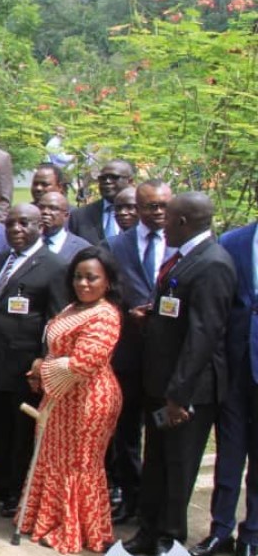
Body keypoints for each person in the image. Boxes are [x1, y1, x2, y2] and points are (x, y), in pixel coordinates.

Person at [126, 192, 236, 556]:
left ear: (184, 223)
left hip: (188, 391)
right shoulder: (182, 260)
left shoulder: (213, 264)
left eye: (167, 217)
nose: (159, 222)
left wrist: (179, 396)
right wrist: (152, 315)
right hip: (161, 381)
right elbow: (178, 314)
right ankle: (147, 528)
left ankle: (168, 538)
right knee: (156, 460)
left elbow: (204, 335)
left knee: (179, 465)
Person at [18, 247, 124, 553]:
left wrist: (42, 367)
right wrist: (42, 370)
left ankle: (75, 527)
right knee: (53, 458)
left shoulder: (105, 315)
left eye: (92, 278)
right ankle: (46, 519)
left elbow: (83, 363)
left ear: (108, 282)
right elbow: (57, 350)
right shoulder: (72, 308)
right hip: (60, 397)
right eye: (78, 277)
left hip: (89, 399)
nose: (84, 284)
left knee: (78, 464)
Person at [0, 204, 68, 517]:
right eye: (11, 224)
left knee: (21, 431)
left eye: (24, 223)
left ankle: (17, 491)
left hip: (26, 366)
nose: (16, 229)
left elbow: (56, 320)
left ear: (40, 226)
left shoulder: (53, 266)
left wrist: (42, 360)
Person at [102, 180, 173, 525]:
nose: (157, 212)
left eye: (162, 205)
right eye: (150, 206)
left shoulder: (183, 245)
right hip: (127, 355)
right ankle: (130, 498)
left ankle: (157, 505)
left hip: (167, 358)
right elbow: (105, 295)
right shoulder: (115, 246)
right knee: (126, 433)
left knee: (162, 436)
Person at [193, 213, 258, 556]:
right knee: (229, 452)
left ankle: (252, 535)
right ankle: (221, 530)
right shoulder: (233, 242)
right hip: (234, 366)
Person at [69, 160, 135, 245]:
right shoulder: (79, 216)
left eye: (113, 177)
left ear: (130, 181)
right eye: (102, 178)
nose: (107, 181)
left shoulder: (142, 212)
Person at [37, 192, 92, 263]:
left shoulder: (83, 248)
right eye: (41, 207)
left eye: (53, 208)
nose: (45, 212)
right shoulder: (25, 243)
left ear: (66, 216)